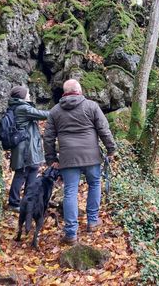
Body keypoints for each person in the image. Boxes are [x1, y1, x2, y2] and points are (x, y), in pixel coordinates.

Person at [43, 79, 116, 245]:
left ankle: (71, 233)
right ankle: (92, 221)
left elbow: (48, 138)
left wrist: (51, 159)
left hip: (68, 159)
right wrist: (111, 149)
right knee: (95, 184)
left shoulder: (55, 111)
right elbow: (104, 129)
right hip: (91, 156)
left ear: (64, 92)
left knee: (70, 191)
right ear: (79, 91)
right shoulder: (91, 106)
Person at [7, 86, 50, 212]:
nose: (29, 95)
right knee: (21, 173)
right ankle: (14, 203)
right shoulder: (23, 108)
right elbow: (44, 114)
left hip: (27, 145)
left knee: (33, 169)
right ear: (22, 96)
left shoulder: (18, 107)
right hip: (25, 147)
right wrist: (60, 109)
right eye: (28, 94)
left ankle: (27, 200)